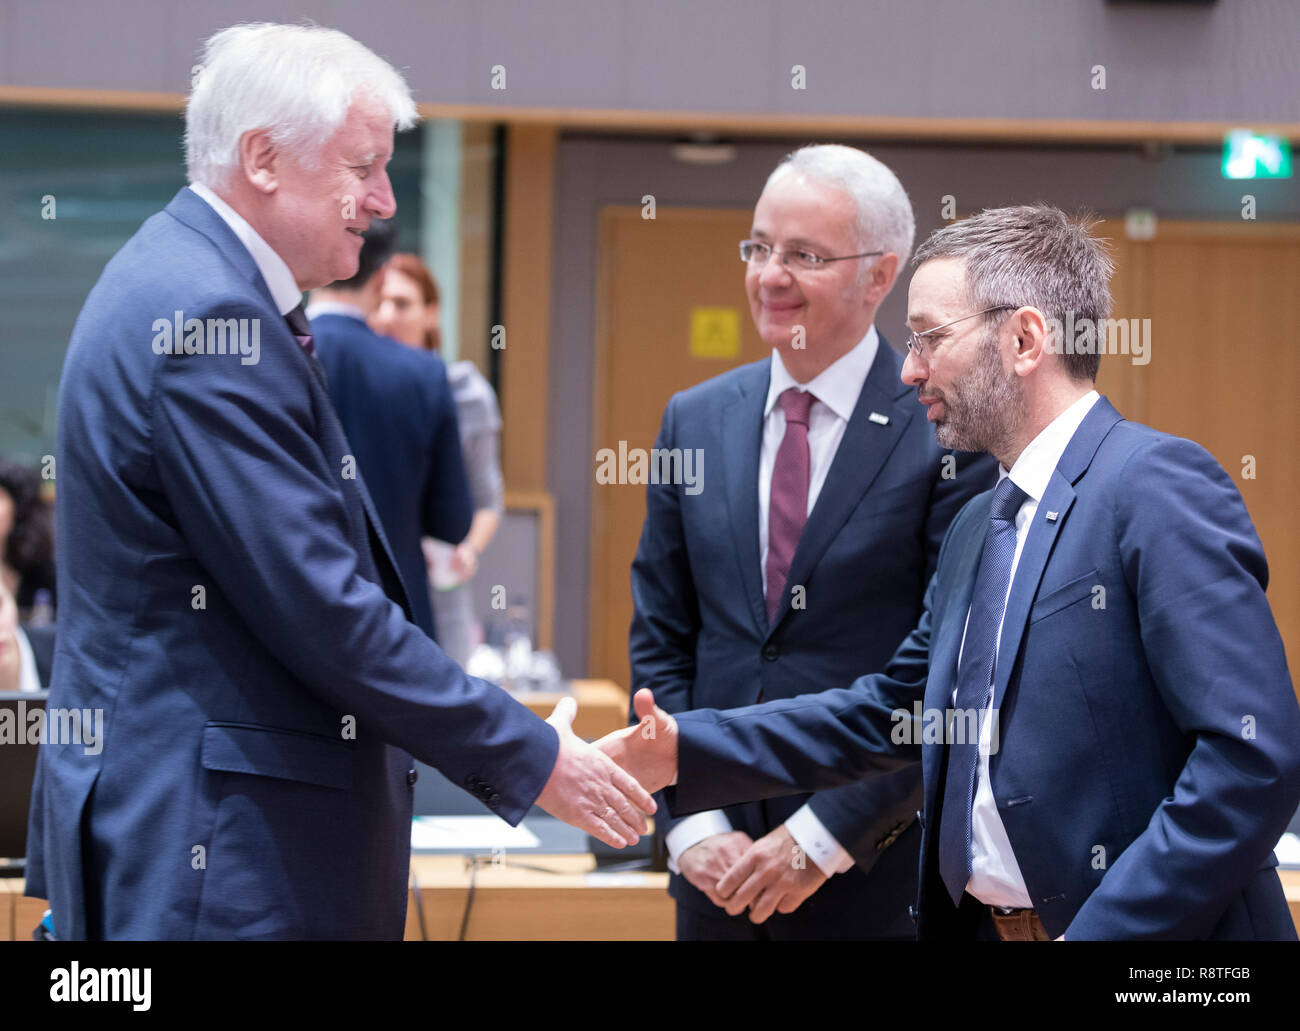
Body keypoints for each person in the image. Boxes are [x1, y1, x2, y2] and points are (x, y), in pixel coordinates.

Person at [25, 21, 654, 941]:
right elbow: (323, 608)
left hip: (196, 832)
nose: (384, 198)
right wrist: (532, 754)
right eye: (363, 167)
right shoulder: (212, 318)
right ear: (263, 158)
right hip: (220, 854)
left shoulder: (182, 278)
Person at [602, 204, 1300, 941]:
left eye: (931, 338)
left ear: (1024, 339)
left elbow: (1251, 758)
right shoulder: (980, 523)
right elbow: (891, 711)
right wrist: (684, 747)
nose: (909, 369)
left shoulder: (1153, 484)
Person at [627, 144, 996, 940]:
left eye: (805, 254)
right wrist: (688, 825)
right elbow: (662, 636)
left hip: (871, 874)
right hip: (714, 878)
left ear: (880, 274)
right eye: (758, 247)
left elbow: (945, 676)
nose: (770, 274)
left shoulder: (946, 431)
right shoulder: (693, 419)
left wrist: (819, 838)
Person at [306, 222, 473, 644]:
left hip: (295, 622)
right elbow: (453, 522)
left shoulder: (271, 353)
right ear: (381, 277)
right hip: (397, 622)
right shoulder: (424, 374)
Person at [370, 253, 504, 668]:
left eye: (403, 303)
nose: (388, 316)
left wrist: (467, 549)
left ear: (431, 313)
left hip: (440, 590)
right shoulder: (360, 386)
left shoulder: (465, 391)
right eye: (380, 303)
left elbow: (488, 499)